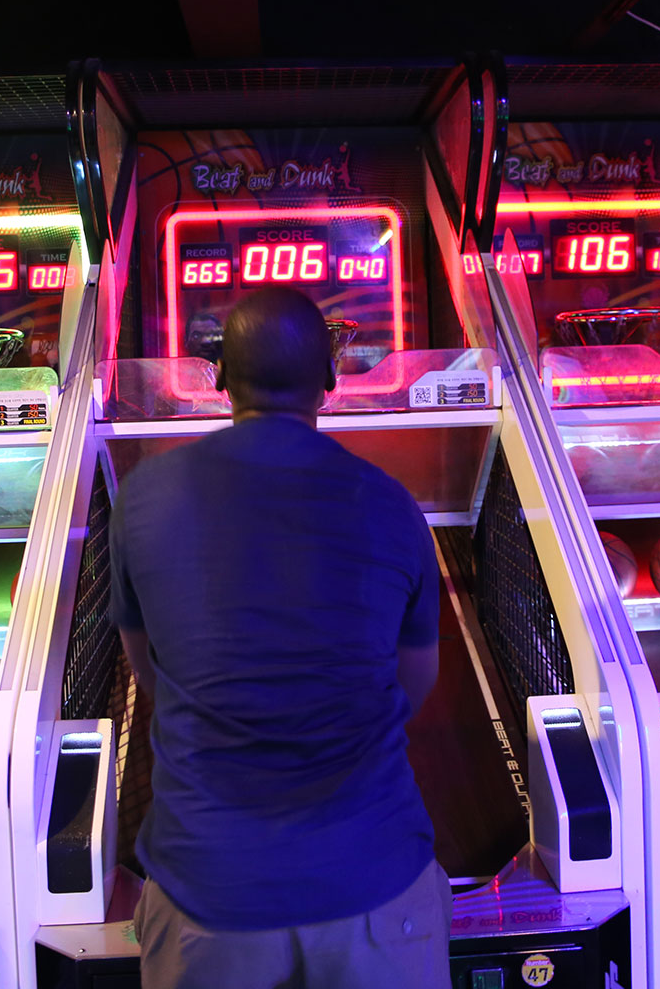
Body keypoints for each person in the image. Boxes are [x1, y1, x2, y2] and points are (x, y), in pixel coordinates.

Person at [109, 287, 449, 989]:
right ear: (329, 378)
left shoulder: (143, 496)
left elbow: (148, 669)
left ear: (220, 378)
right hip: (374, 873)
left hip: (207, 886)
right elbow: (415, 679)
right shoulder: (391, 502)